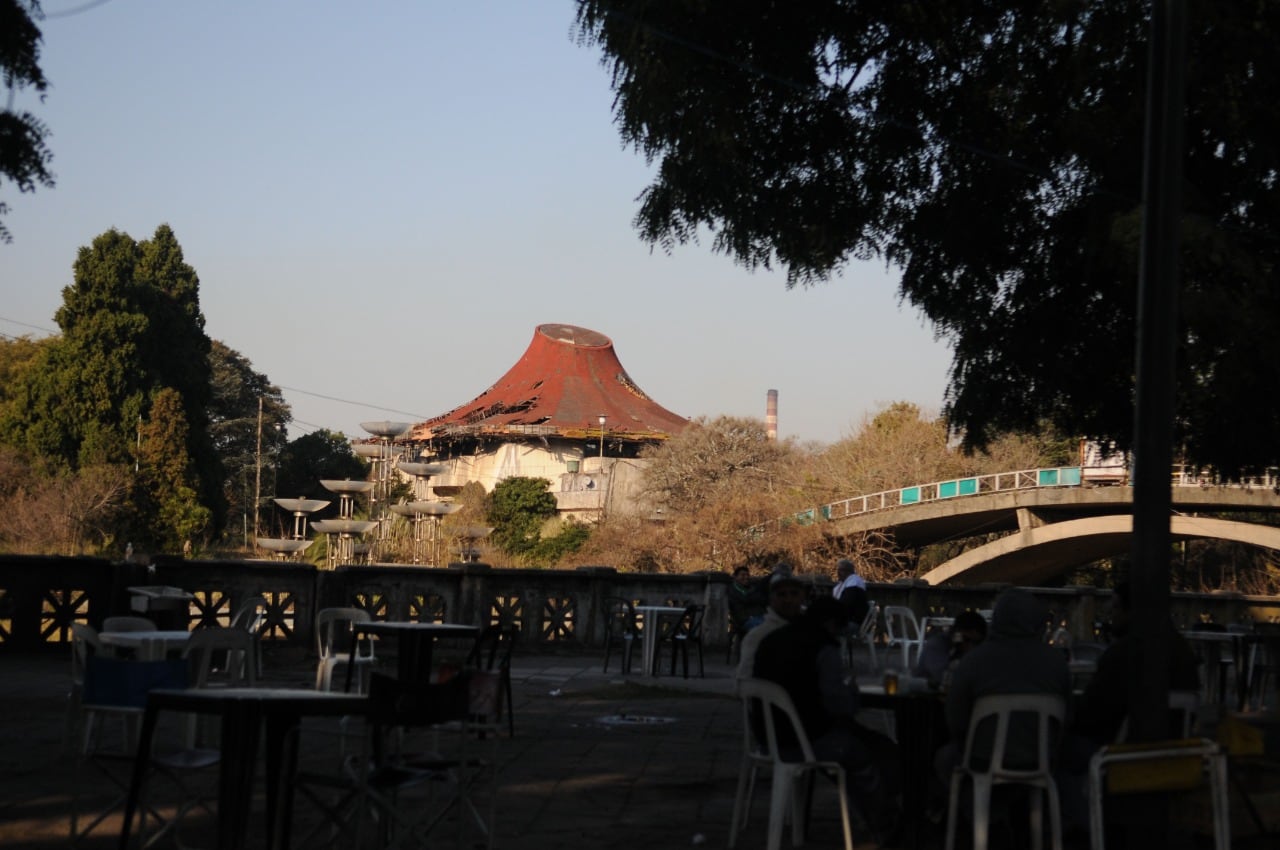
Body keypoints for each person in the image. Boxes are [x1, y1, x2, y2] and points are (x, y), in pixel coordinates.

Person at [753, 595, 903, 843]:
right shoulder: (823, 648)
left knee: (859, 743)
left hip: (767, 735)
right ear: (832, 624)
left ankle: (877, 815)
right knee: (863, 753)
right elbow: (840, 705)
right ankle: (883, 821)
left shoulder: (771, 640)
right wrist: (852, 694)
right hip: (805, 738)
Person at [1072, 581, 1200, 747]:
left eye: (1116, 607)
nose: (1111, 614)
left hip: (1117, 752)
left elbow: (1091, 714)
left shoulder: (1121, 654)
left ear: (1131, 611)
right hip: (1171, 751)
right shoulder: (1182, 650)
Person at [735, 564, 805, 679]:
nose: (788, 601)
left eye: (793, 595)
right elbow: (745, 680)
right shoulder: (757, 636)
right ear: (772, 598)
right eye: (782, 595)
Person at [913, 609, 988, 690]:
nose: (970, 646)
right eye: (966, 639)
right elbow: (943, 677)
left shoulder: (970, 649)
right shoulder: (937, 645)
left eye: (976, 642)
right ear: (955, 632)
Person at [727, 565, 767, 637]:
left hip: (761, 616)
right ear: (735, 577)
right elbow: (744, 600)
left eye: (747, 575)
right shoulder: (732, 590)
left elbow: (762, 600)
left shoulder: (753, 587)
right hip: (746, 620)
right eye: (742, 575)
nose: (746, 577)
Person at [832, 558, 870, 626]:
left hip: (853, 622)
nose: (838, 573)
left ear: (849, 571)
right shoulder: (842, 584)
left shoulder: (854, 582)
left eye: (841, 570)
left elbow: (845, 604)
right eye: (838, 570)